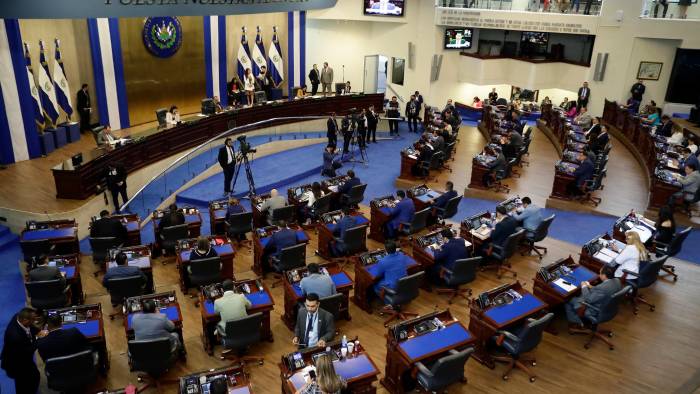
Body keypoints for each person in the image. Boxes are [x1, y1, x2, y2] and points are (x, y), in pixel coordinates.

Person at [1, 308, 40, 394]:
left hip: (19, 356)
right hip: (18, 363)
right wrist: (39, 340)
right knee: (25, 383)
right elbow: (28, 351)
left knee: (34, 377)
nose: (35, 321)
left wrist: (39, 331)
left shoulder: (18, 317)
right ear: (25, 320)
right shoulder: (16, 336)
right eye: (33, 319)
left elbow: (31, 328)